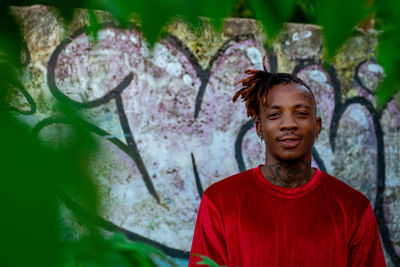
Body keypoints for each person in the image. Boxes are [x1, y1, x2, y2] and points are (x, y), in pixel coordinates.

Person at [188, 60, 386, 267]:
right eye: (274, 115)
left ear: (317, 126)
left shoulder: (353, 208)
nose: (289, 124)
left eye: (300, 113)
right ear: (259, 128)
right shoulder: (220, 202)